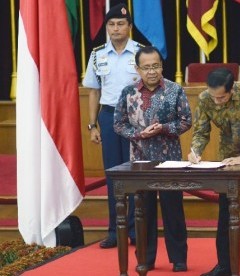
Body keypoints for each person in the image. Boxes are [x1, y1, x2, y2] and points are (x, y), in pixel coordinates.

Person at [114, 46, 191, 272]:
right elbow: (118, 124)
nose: (151, 72)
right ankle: (145, 258)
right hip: (141, 161)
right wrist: (139, 134)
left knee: (173, 210)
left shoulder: (174, 90)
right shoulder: (128, 92)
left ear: (162, 66)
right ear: (137, 69)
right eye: (146, 67)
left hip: (171, 161)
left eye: (156, 66)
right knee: (143, 211)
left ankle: (179, 259)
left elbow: (186, 120)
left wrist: (164, 128)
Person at [188, 68, 240, 276]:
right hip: (227, 161)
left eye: (222, 97)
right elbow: (201, 131)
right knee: (225, 213)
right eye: (214, 96)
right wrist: (195, 151)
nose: (217, 101)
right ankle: (224, 265)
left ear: (232, 89)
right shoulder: (206, 98)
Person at [82, 3, 142, 249]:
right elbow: (94, 92)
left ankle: (136, 230)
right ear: (106, 27)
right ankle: (115, 232)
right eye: (111, 24)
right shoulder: (98, 54)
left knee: (136, 173)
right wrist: (92, 125)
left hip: (136, 117)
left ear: (129, 27)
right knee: (112, 174)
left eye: (120, 24)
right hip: (108, 117)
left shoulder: (141, 52)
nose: (115, 28)